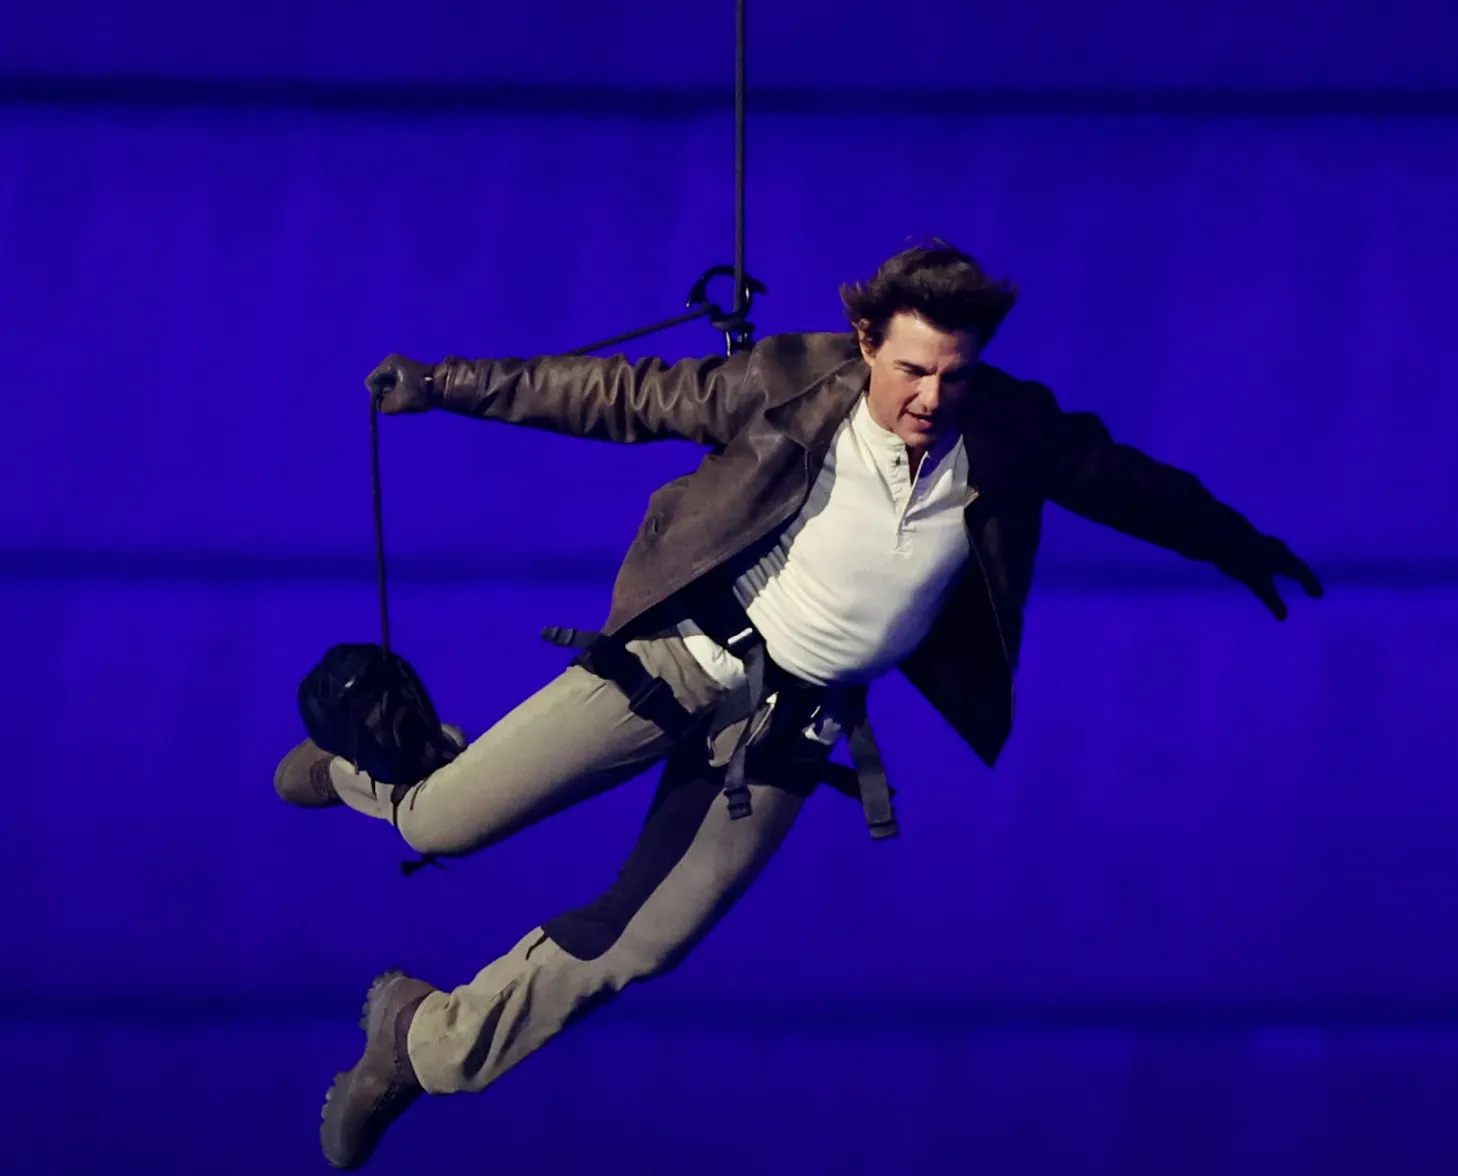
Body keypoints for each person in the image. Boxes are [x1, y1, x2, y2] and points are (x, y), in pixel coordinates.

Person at [273, 241, 1323, 1169]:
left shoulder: (1008, 429)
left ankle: (422, 1043)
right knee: (442, 818)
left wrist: (1235, 544)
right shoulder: (785, 382)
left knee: (649, 940)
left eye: (951, 376)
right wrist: (445, 384)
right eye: (909, 369)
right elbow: (617, 395)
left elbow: (1128, 483)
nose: (928, 397)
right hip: (680, 658)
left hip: (787, 726)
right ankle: (354, 773)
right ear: (866, 339)